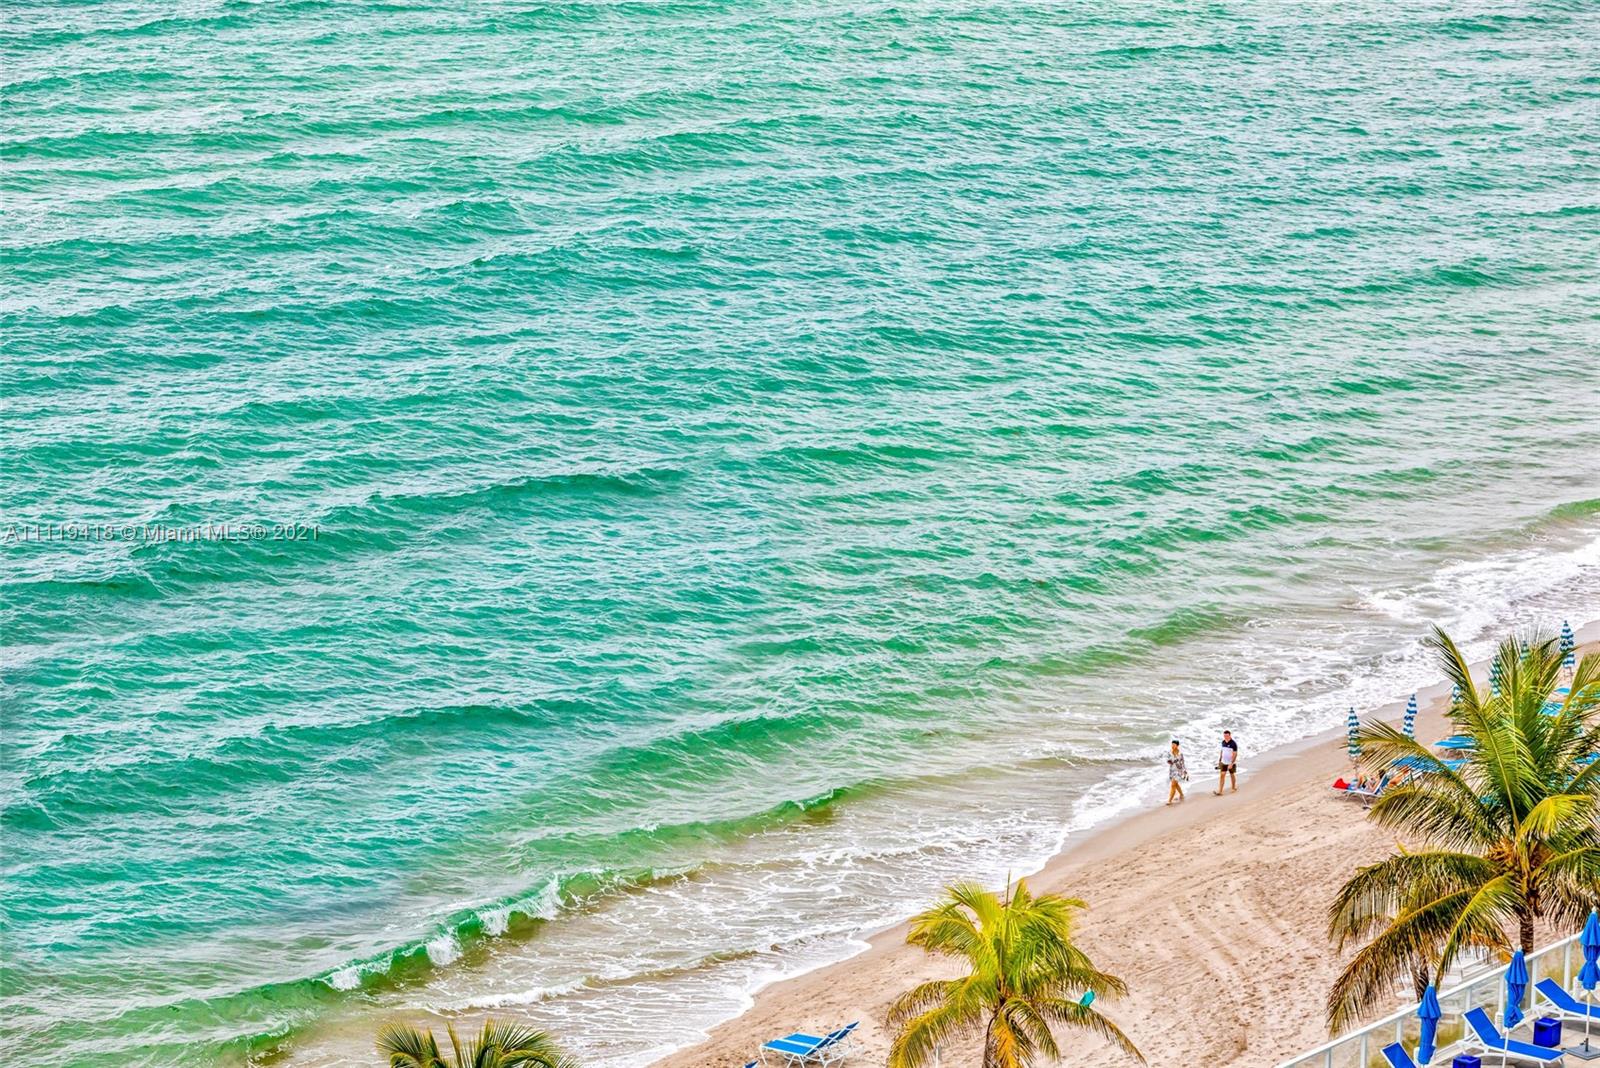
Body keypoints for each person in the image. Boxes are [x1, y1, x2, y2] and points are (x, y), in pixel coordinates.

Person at [1214, 730, 1239, 795]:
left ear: (1230, 735)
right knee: (1222, 775)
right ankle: (1220, 791)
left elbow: (1235, 754)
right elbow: (1222, 751)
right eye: (1224, 736)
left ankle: (1233, 787)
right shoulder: (1223, 742)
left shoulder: (1233, 744)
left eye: (1227, 736)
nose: (1225, 737)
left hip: (1231, 762)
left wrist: (1231, 763)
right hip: (1223, 762)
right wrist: (1220, 760)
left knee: (1232, 775)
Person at [1166, 739, 1188, 805]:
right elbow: (1168, 761)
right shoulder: (1169, 753)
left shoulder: (1180, 753)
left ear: (1177, 745)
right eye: (1172, 744)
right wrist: (1170, 761)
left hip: (1179, 770)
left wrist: (1185, 771)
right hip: (1172, 770)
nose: (1172, 746)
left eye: (1174, 744)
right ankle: (1181, 794)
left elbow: (1183, 763)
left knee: (1173, 784)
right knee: (1176, 784)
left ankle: (1169, 800)